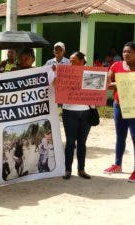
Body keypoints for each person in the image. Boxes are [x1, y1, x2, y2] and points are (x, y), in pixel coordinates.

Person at [104, 42, 135, 182]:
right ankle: (117, 164)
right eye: (124, 51)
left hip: (134, 107)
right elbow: (107, 84)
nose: (126, 54)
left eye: (129, 51)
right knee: (120, 136)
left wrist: (119, 83)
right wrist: (121, 83)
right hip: (119, 105)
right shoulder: (116, 66)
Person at [62, 51, 92, 180]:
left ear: (82, 61)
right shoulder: (65, 74)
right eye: (70, 60)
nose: (71, 63)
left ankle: (81, 169)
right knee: (70, 142)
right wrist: (56, 74)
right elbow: (57, 86)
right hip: (69, 111)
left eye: (73, 60)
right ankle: (67, 170)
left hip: (86, 112)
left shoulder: (90, 74)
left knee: (82, 142)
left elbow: (97, 90)